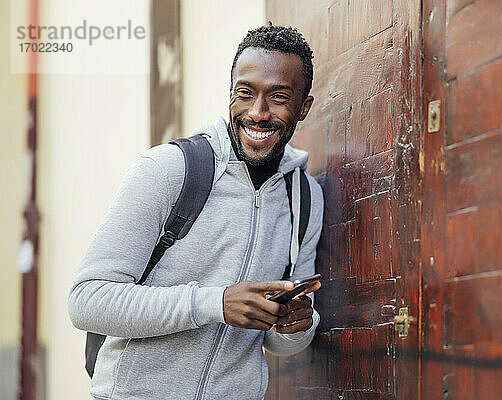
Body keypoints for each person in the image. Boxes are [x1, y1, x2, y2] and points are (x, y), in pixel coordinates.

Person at [68, 24, 323, 400]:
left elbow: (278, 346)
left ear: (303, 108)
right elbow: (87, 300)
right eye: (245, 93)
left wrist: (296, 326)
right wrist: (213, 303)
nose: (258, 112)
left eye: (279, 97)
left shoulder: (305, 198)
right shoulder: (168, 169)